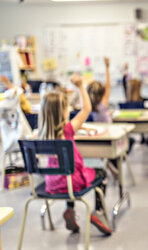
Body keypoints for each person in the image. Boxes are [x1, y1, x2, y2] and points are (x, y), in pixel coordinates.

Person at [38, 74, 112, 235]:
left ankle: (69, 209)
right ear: (62, 112)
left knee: (65, 175)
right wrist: (80, 86)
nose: (69, 111)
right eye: (66, 108)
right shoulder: (68, 130)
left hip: (52, 184)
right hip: (74, 181)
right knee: (101, 173)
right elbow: (87, 109)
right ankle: (98, 212)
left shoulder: (41, 136)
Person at [87, 57, 112, 123]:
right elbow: (108, 85)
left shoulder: (89, 104)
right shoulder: (103, 101)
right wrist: (107, 67)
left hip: (98, 128)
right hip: (106, 127)